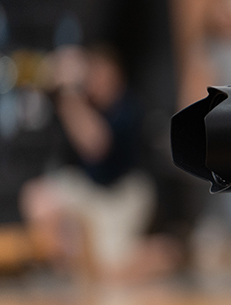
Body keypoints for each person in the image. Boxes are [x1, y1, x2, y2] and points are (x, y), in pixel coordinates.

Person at [19, 43, 160, 279]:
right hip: (90, 191)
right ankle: (63, 271)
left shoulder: (128, 106)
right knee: (39, 197)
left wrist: (67, 93)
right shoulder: (83, 105)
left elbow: (95, 143)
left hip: (124, 194)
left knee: (113, 271)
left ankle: (166, 251)